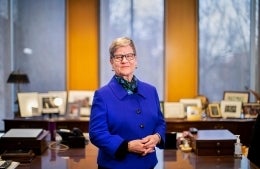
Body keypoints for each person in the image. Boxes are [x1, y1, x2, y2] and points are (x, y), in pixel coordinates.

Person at [89, 37, 166, 169]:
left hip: (148, 164)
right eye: (119, 57)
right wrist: (127, 146)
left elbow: (160, 122)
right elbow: (97, 133)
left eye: (129, 56)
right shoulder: (102, 95)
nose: (125, 61)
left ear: (135, 60)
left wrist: (157, 137)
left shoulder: (151, 91)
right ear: (112, 63)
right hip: (115, 166)